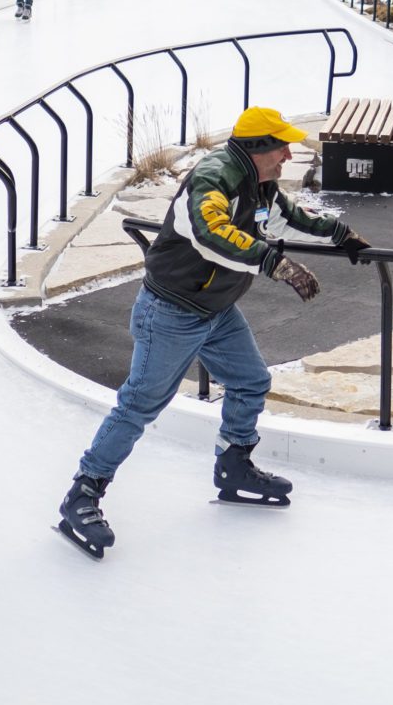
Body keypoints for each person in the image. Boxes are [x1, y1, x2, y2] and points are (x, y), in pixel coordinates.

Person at [54, 108, 370, 559]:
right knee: (139, 406)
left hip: (216, 310)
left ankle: (233, 466)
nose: (287, 153)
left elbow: (286, 219)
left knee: (251, 381)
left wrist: (342, 234)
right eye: (280, 145)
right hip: (170, 313)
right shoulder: (214, 177)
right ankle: (83, 494)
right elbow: (211, 233)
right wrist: (275, 264)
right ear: (258, 147)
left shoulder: (261, 184)